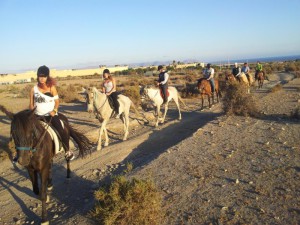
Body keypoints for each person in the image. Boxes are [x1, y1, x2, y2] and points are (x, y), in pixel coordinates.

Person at [14, 65, 74, 163]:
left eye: (44, 76)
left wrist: (54, 110)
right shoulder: (33, 89)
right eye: (40, 76)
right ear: (37, 77)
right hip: (37, 115)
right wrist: (31, 112)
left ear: (47, 77)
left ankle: (67, 151)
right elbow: (31, 104)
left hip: (50, 114)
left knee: (61, 130)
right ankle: (20, 153)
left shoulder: (52, 88)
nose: (42, 79)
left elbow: (57, 101)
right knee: (24, 131)